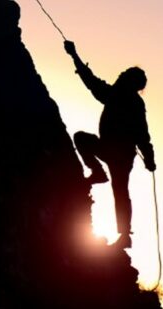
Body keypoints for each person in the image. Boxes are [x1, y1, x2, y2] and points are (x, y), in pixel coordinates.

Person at [64, 40, 156, 248]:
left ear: (129, 81)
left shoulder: (123, 98)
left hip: (120, 154)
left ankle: (125, 233)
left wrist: (74, 55)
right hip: (115, 151)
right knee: (120, 189)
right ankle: (99, 174)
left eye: (125, 75)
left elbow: (142, 134)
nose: (121, 75)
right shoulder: (122, 97)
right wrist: (74, 56)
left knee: (120, 189)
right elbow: (92, 82)